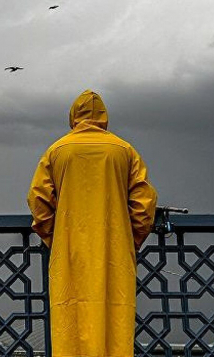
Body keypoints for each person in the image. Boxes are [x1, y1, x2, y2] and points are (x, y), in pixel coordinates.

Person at [27, 89, 158, 357]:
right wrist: (128, 241)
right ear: (104, 117)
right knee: (114, 318)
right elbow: (144, 205)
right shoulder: (125, 150)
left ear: (73, 116)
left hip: (70, 251)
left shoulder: (57, 151)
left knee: (70, 319)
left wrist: (56, 238)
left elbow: (39, 201)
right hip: (114, 252)